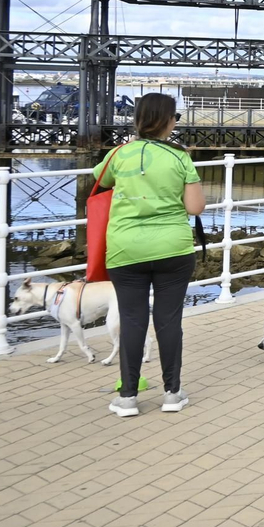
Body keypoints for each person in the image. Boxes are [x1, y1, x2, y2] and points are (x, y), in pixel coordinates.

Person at [100, 94, 205, 417]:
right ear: (170, 121)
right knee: (168, 320)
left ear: (138, 119)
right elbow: (195, 207)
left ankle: (128, 397)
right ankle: (172, 393)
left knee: (132, 321)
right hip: (172, 248)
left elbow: (100, 181)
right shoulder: (180, 157)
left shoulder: (119, 154)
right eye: (176, 117)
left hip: (125, 248)